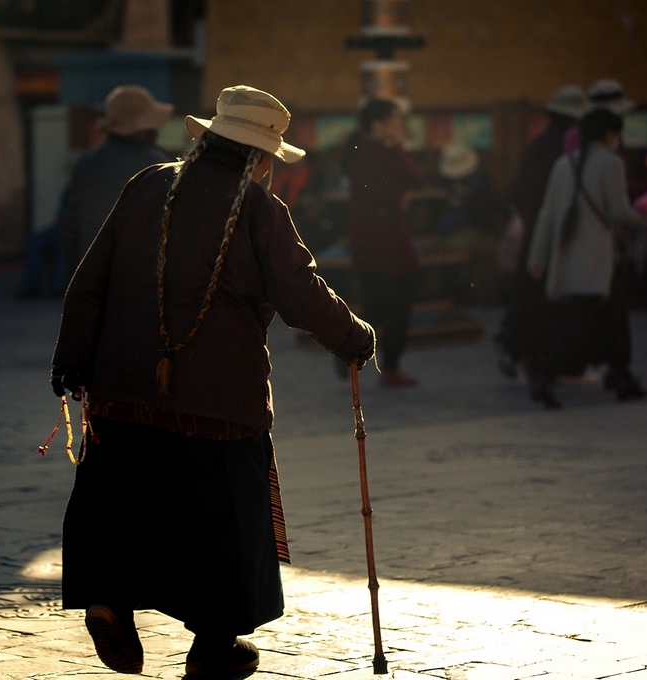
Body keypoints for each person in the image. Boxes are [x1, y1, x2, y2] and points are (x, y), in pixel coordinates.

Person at [50, 85, 375, 676]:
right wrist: (355, 338)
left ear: (207, 139)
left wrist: (72, 361)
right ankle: (212, 648)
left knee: (122, 505)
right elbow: (302, 295)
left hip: (122, 394)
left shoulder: (148, 185)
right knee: (226, 526)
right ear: (258, 157)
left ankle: (108, 600)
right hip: (220, 406)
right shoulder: (259, 210)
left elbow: (89, 279)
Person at [526, 108, 647, 408]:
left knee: (606, 317)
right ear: (609, 134)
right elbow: (619, 211)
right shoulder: (611, 164)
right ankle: (546, 376)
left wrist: (538, 257)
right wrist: (645, 218)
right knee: (582, 320)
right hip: (598, 261)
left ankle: (623, 376)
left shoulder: (562, 165)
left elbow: (548, 215)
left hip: (569, 259)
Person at [494, 85, 587, 380]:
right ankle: (534, 356)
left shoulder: (537, 144)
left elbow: (515, 190)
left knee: (527, 292)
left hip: (533, 227)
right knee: (547, 300)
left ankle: (512, 345)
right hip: (555, 232)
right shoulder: (569, 147)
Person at [342, 98, 426, 387]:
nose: (399, 125)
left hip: (365, 236)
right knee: (400, 299)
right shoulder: (386, 152)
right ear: (378, 123)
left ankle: (348, 350)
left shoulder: (356, 150)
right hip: (389, 236)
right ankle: (388, 366)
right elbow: (416, 178)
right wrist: (400, 147)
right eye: (394, 119)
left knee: (373, 302)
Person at [61, 85, 175, 273]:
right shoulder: (155, 163)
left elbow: (70, 227)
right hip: (139, 274)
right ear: (143, 128)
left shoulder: (86, 163)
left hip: (91, 270)